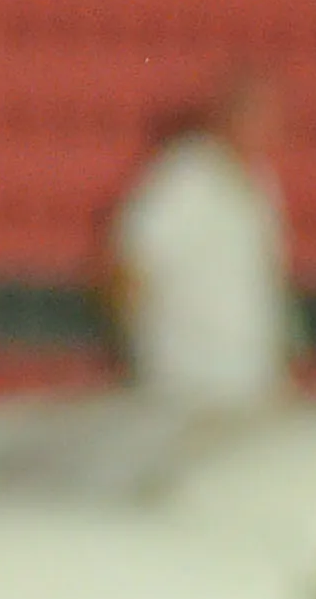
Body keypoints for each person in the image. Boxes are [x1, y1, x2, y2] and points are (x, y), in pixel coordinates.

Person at [105, 69, 297, 411]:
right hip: (185, 381)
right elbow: (129, 262)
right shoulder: (183, 178)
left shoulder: (260, 186)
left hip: (250, 380)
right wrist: (141, 354)